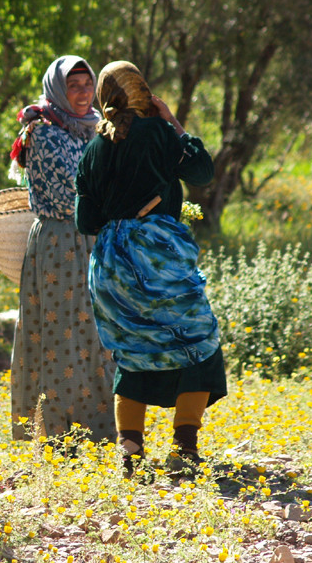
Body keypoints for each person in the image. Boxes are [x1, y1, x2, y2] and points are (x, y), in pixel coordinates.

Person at [74, 60, 226, 476]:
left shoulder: (94, 149)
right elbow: (202, 172)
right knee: (198, 344)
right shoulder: (159, 133)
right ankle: (184, 448)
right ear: (144, 92)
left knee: (134, 349)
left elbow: (85, 221)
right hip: (157, 258)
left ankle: (131, 451)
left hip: (109, 266)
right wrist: (174, 122)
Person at [8, 54, 116, 447]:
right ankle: (57, 433)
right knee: (59, 336)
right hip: (60, 244)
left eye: (88, 85)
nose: (83, 93)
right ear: (58, 89)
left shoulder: (87, 129)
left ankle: (97, 430)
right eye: (74, 86)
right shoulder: (46, 133)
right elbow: (74, 192)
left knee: (93, 333)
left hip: (86, 240)